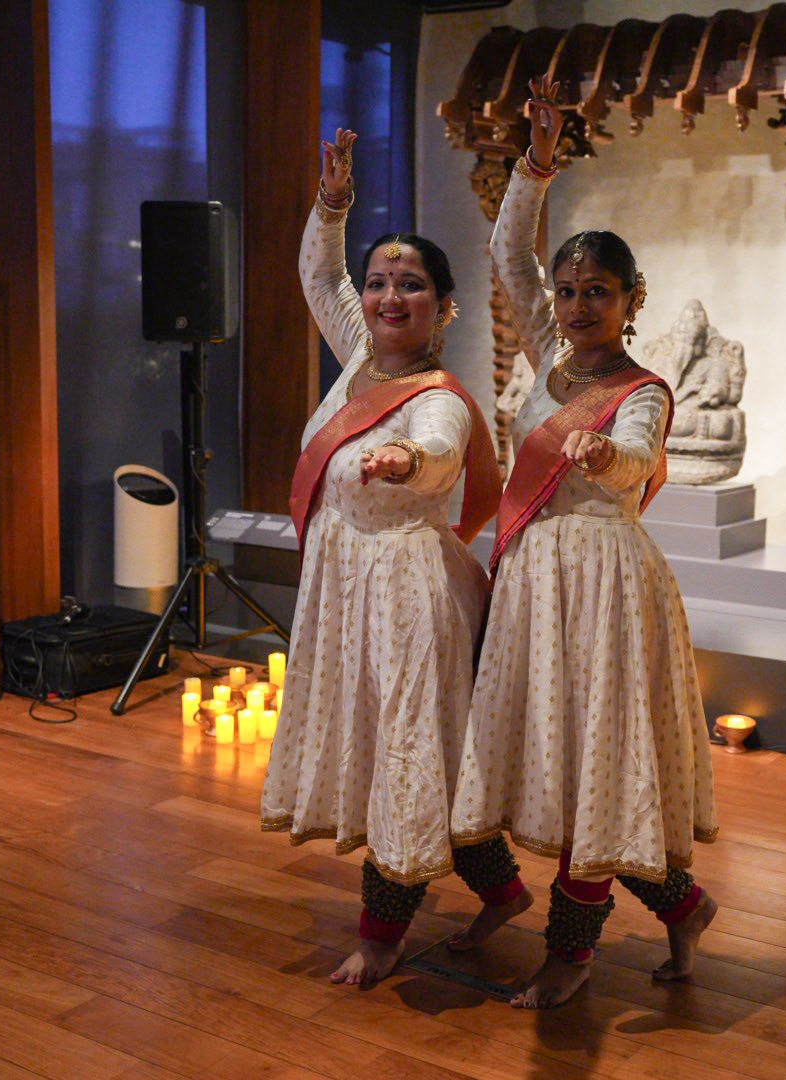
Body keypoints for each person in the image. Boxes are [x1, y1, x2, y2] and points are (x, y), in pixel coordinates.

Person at [449, 79, 719, 1009]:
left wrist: (606, 454)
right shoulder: (550, 358)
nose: (572, 305)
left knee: (599, 767)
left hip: (605, 581)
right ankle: (682, 907)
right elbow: (501, 251)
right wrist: (536, 160)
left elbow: (637, 456)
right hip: (535, 578)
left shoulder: (640, 388)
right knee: (562, 766)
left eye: (595, 293)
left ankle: (572, 954)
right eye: (564, 291)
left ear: (632, 299)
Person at [262, 128, 531, 987]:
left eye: (410, 285)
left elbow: (443, 451)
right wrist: (331, 202)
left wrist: (405, 461)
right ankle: (504, 892)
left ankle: (382, 935)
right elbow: (316, 276)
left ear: (444, 309)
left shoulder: (438, 399)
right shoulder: (356, 368)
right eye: (378, 282)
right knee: (410, 752)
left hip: (407, 592)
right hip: (346, 588)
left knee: (407, 754)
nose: (387, 296)